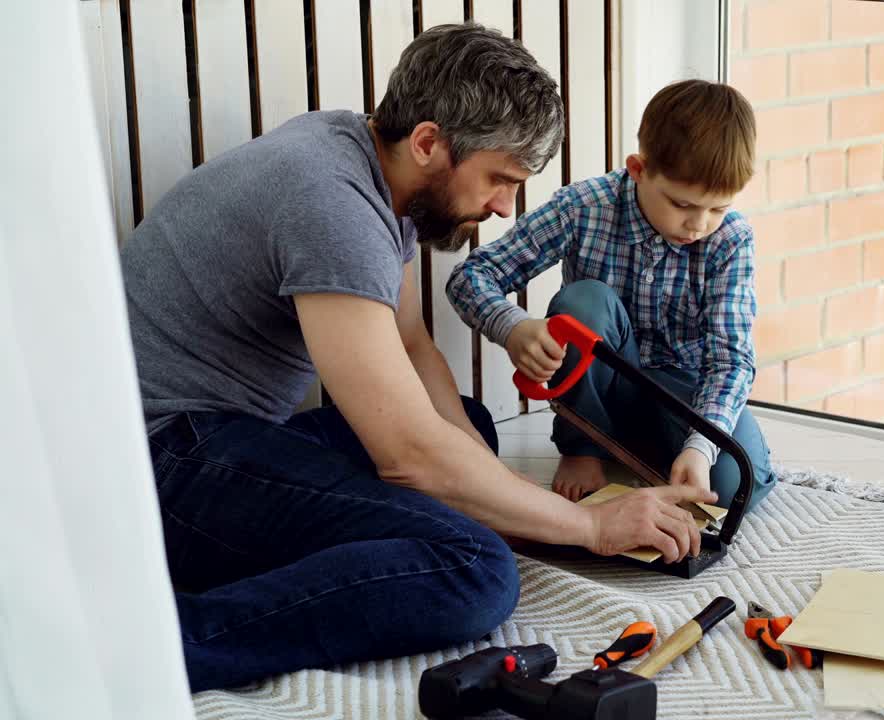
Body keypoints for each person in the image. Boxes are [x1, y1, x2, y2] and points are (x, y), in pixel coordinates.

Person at [120, 23, 714, 694]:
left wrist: (494, 489)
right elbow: (407, 456)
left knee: (468, 431)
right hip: (161, 466)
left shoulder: (362, 160)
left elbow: (408, 343)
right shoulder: (328, 202)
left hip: (221, 439)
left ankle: (282, 555)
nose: (502, 206)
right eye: (498, 178)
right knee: (475, 570)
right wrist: (589, 525)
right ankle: (161, 643)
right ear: (430, 142)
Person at [447, 79, 776, 514]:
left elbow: (730, 361)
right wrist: (513, 328)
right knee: (585, 303)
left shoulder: (731, 241)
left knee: (736, 486)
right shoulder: (583, 207)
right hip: (599, 383)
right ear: (638, 170)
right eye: (681, 204)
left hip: (682, 393)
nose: (698, 225)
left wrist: (700, 447)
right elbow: (471, 275)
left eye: (718, 209)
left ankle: (652, 447)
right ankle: (585, 445)